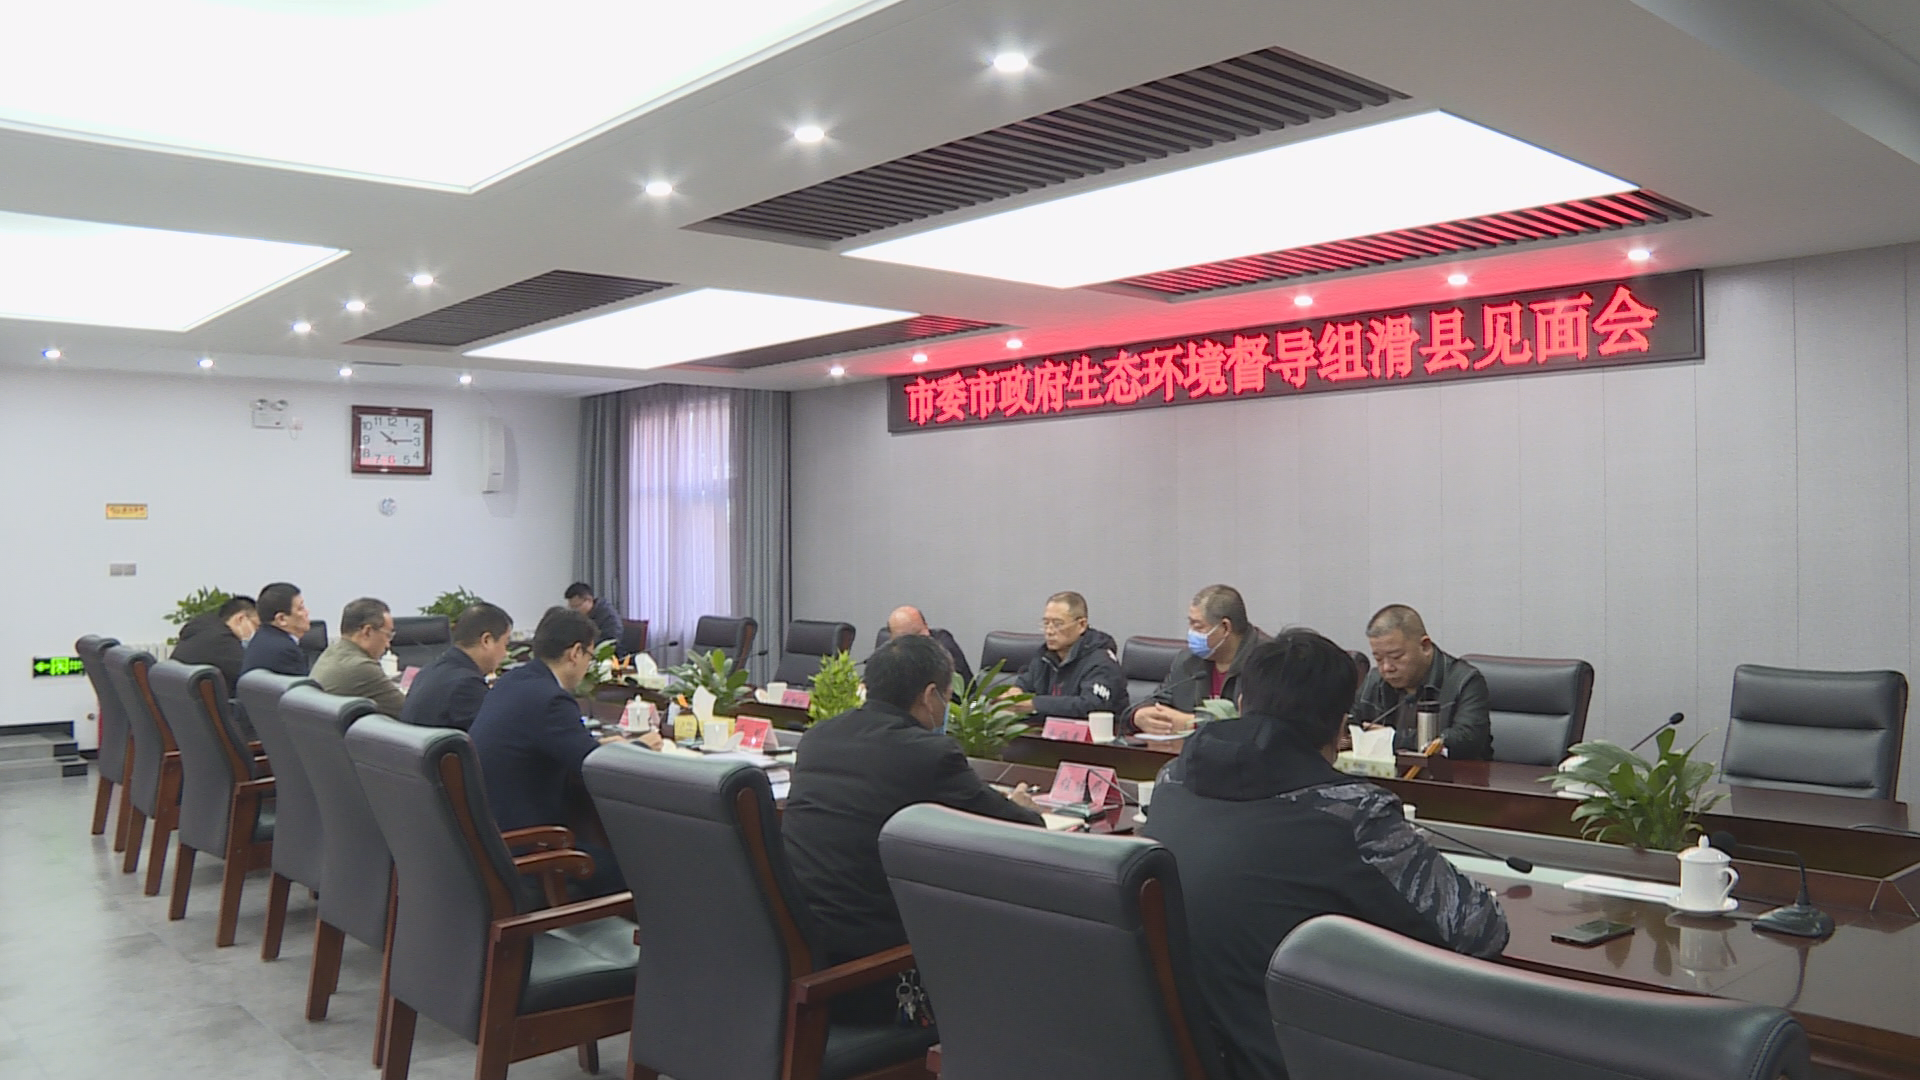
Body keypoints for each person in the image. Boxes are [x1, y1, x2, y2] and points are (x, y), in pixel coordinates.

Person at [1142, 629, 1509, 1080]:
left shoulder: (1171, 782)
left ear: (1240, 704)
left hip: (1204, 1055)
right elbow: (1480, 929)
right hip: (1302, 1060)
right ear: (1340, 727)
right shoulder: (1351, 812)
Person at [783, 634, 1042, 1016]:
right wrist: (1022, 806)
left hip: (800, 964)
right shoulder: (929, 753)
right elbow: (1023, 829)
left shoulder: (818, 738)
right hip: (876, 978)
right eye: (948, 697)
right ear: (930, 695)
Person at [470, 607, 658, 898]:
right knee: (642, 870)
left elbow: (567, 747)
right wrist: (643, 746)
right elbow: (595, 770)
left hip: (491, 841)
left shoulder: (512, 682)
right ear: (575, 653)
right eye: (589, 656)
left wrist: (605, 746)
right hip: (530, 849)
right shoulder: (551, 699)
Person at [1351, 604, 1493, 760]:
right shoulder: (1375, 679)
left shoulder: (1465, 680)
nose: (1386, 668)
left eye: (1396, 657)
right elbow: (1350, 723)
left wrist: (1390, 739)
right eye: (1378, 659)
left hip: (1453, 773)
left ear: (1425, 646)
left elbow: (1466, 740)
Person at [1128, 584, 1268, 735]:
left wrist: (1194, 724)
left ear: (1225, 627)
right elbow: (1158, 700)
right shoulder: (1188, 660)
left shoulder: (1268, 663)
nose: (1191, 633)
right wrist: (1138, 715)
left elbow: (1259, 726)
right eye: (1190, 624)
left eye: (1198, 626)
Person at [1010, 591, 1126, 719]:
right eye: (1046, 623)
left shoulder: (1102, 662)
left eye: (1058, 624)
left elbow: (1091, 705)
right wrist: (1015, 693)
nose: (1049, 631)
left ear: (1081, 625)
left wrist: (1035, 704)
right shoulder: (1045, 656)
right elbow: (1025, 683)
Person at [400, 602, 511, 731]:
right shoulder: (466, 685)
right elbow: (496, 735)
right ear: (487, 640)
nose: (505, 653)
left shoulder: (428, 670)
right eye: (505, 644)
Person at [311, 597, 406, 716]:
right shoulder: (362, 667)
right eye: (387, 635)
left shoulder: (331, 652)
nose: (388, 644)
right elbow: (410, 713)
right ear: (367, 631)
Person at [169, 595, 257, 690]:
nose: (258, 632)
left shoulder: (201, 627)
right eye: (257, 626)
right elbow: (254, 678)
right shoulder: (223, 643)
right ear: (240, 619)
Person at [878, 605, 973, 685]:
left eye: (917, 634)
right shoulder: (888, 653)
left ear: (926, 626)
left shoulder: (943, 649)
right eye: (903, 638)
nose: (911, 643)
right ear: (891, 638)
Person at [241, 582, 312, 677]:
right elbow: (304, 686)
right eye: (300, 608)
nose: (307, 612)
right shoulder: (287, 651)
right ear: (281, 619)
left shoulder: (260, 639)